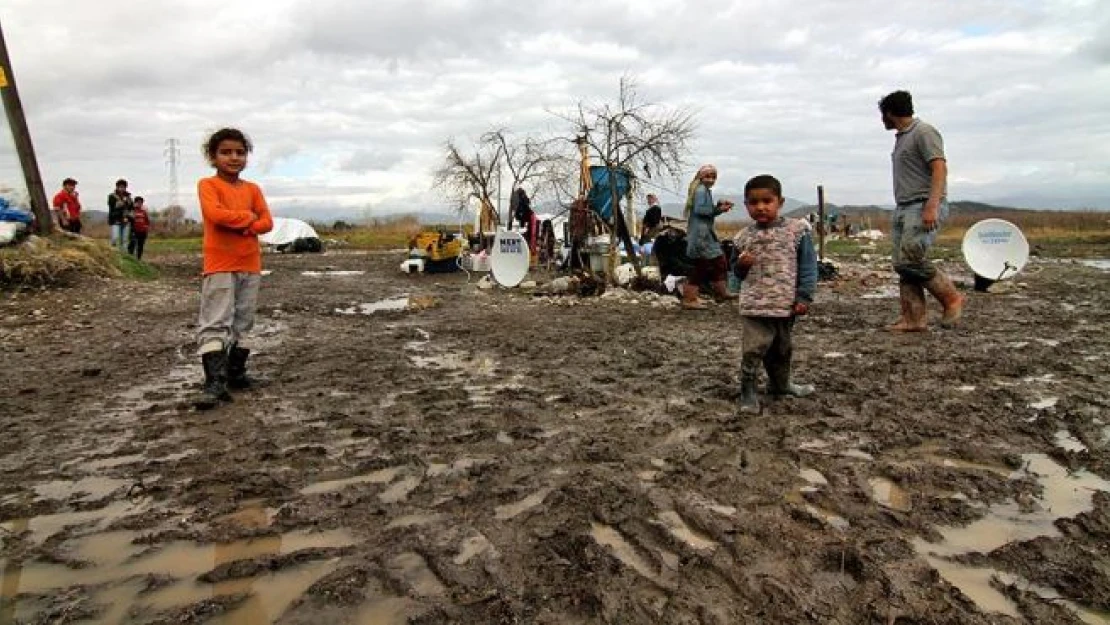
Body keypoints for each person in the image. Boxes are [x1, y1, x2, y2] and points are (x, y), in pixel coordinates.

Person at [194, 128, 273, 409]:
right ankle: (214, 382)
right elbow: (215, 215)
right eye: (226, 152)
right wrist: (248, 218)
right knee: (216, 320)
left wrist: (244, 221)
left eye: (240, 152)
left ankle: (237, 373)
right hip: (220, 264)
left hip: (250, 263)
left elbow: (267, 223)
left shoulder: (253, 189)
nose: (234, 157)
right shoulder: (208, 185)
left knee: (244, 320)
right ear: (212, 156)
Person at [732, 175, 818, 415]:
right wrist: (742, 265)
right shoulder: (742, 238)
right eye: (753, 202)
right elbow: (735, 273)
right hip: (754, 307)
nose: (760, 207)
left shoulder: (796, 231)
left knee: (782, 349)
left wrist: (804, 297)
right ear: (746, 205)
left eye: (767, 201)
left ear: (780, 202)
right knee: (753, 349)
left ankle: (780, 385)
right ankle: (747, 391)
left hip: (784, 304)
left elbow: (808, 267)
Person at [879, 90, 964, 331]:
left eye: (882, 115)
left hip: (922, 204)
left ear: (889, 113)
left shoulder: (923, 132)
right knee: (901, 264)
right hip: (904, 206)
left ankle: (951, 298)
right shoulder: (903, 137)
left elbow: (939, 168)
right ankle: (913, 319)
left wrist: (932, 205)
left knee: (911, 260)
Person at [682, 165, 735, 309]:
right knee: (701, 265)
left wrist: (717, 208)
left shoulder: (703, 190)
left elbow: (706, 211)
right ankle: (689, 298)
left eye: (713, 177)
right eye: (708, 176)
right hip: (701, 235)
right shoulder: (700, 191)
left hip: (706, 234)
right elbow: (701, 210)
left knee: (719, 261)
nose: (711, 180)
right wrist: (719, 209)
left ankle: (721, 292)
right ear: (701, 177)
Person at [107, 179, 133, 251]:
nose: (122, 188)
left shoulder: (129, 197)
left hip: (126, 221)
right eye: (120, 187)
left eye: (123, 187)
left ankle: (124, 256)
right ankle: (113, 254)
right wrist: (121, 203)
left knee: (124, 241)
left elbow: (131, 208)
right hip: (115, 220)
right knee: (115, 238)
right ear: (117, 187)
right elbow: (112, 206)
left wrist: (129, 215)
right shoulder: (112, 196)